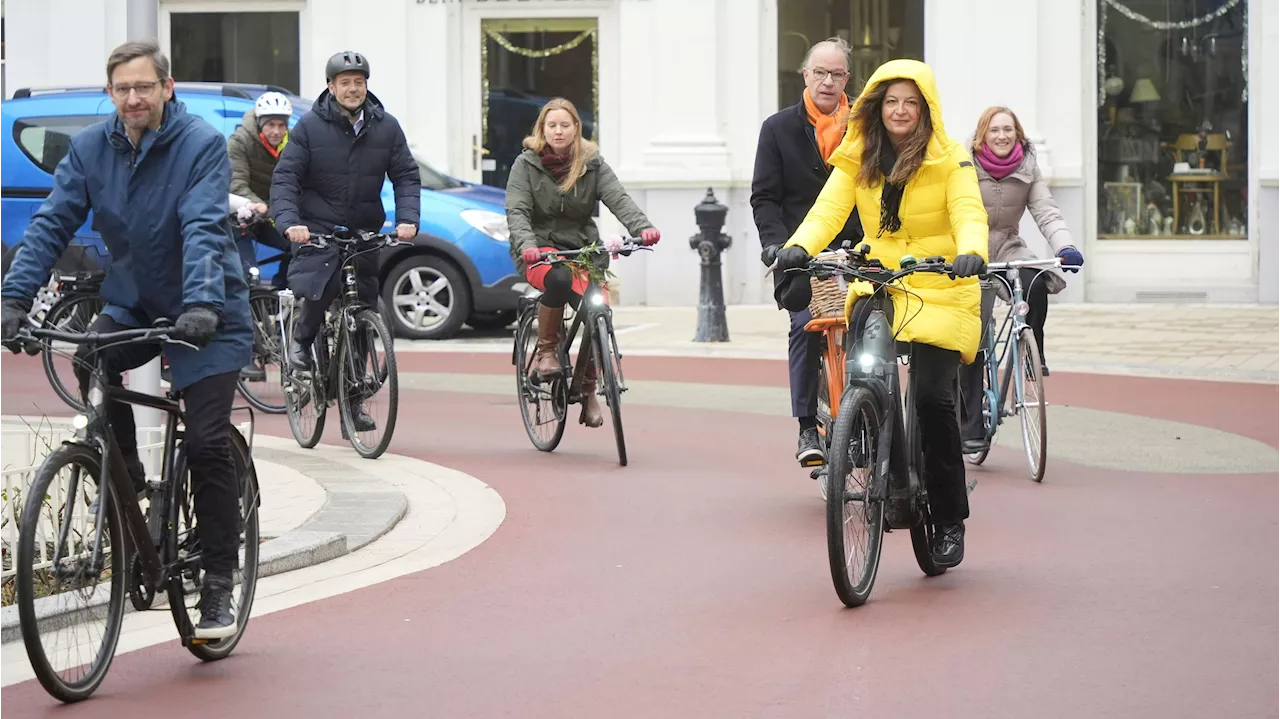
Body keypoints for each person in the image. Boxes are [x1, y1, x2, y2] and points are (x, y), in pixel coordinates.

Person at [0, 42, 253, 639]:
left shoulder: (200, 145)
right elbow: (52, 221)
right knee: (92, 356)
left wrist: (200, 304)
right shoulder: (90, 148)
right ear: (110, 94)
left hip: (208, 311)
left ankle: (218, 580)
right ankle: (130, 476)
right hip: (136, 303)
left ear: (168, 88)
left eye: (144, 87)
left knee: (209, 442)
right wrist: (13, 297)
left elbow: (202, 225)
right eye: (122, 89)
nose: (133, 99)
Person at [773, 59, 989, 568]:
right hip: (882, 279)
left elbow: (968, 210)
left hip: (941, 281)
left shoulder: (949, 157)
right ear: (875, 105)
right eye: (891, 101)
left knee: (935, 400)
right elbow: (826, 211)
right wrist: (797, 247)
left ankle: (949, 517)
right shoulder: (859, 157)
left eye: (910, 103)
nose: (900, 110)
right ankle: (868, 443)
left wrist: (972, 251)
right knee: (865, 371)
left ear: (925, 110)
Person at [271, 50, 421, 431]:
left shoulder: (386, 126)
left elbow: (405, 175)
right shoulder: (308, 127)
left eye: (358, 82)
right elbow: (286, 177)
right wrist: (290, 222)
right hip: (316, 229)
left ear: (366, 85)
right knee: (321, 288)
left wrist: (408, 219)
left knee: (361, 316)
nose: (352, 89)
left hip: (364, 232)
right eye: (345, 83)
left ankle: (353, 406)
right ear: (330, 87)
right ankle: (302, 344)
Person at [505, 97, 660, 428]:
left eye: (565, 125)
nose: (558, 131)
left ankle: (587, 390)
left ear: (577, 128)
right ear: (542, 130)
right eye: (552, 126)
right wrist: (528, 245)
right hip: (539, 251)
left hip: (582, 252)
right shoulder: (525, 164)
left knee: (597, 309)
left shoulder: (592, 164)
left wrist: (642, 227)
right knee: (558, 281)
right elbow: (517, 211)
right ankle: (546, 353)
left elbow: (618, 198)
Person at [751, 37, 865, 466]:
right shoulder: (777, 128)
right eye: (820, 72)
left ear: (847, 79)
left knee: (872, 328)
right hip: (800, 255)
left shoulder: (866, 128)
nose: (828, 81)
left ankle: (866, 416)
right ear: (805, 75)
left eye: (837, 74)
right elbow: (764, 197)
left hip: (858, 252)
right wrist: (775, 246)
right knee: (806, 323)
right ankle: (805, 427)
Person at [958, 106, 1083, 454]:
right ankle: (970, 427)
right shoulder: (963, 164)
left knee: (1036, 280)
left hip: (1009, 246)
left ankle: (1032, 351)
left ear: (1018, 133)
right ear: (982, 135)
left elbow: (1045, 211)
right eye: (995, 130)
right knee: (972, 339)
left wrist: (1065, 246)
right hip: (971, 252)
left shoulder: (1027, 166)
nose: (1002, 136)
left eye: (1008, 130)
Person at [228, 90, 295, 289]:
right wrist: (259, 206)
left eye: (281, 125)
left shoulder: (292, 144)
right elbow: (237, 184)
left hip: (269, 215)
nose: (276, 131)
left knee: (299, 249)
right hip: (239, 217)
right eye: (270, 125)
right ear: (260, 124)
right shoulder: (239, 142)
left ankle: (279, 300)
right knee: (250, 277)